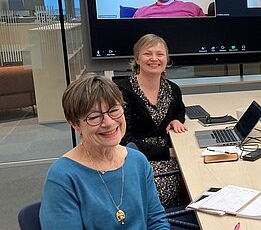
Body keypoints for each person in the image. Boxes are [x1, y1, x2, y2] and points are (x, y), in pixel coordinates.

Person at [39, 74, 169, 229]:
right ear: (75, 125)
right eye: (94, 117)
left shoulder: (138, 161)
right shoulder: (63, 176)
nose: (109, 122)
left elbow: (156, 220)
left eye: (114, 110)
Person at [117, 34, 188, 208]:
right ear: (137, 59)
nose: (154, 58)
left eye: (160, 54)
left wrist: (177, 120)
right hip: (137, 157)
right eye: (148, 54)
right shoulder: (123, 90)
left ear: (167, 59)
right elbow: (125, 139)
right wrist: (169, 153)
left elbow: (180, 108)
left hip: (169, 152)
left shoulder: (171, 88)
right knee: (170, 186)